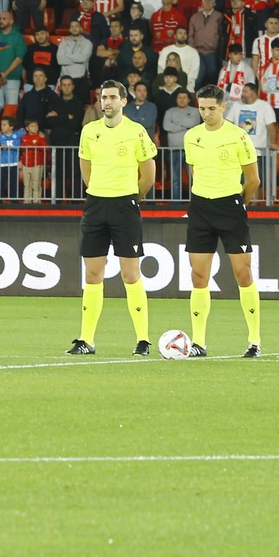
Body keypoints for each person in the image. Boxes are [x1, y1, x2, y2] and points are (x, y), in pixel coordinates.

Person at [70, 80, 158, 356]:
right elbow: (86, 170)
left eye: (111, 97)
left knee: (130, 274)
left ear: (123, 101)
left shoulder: (136, 131)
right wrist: (100, 191)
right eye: (103, 97)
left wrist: (130, 197)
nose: (106, 102)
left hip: (124, 206)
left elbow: (149, 174)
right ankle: (86, 340)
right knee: (92, 274)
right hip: (96, 205)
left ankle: (143, 340)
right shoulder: (89, 131)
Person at [183, 85, 262, 358]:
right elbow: (194, 171)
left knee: (243, 273)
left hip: (230, 206)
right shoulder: (191, 136)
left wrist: (239, 204)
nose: (206, 113)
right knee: (198, 276)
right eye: (202, 108)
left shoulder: (238, 136)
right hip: (200, 208)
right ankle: (198, 342)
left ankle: (254, 340)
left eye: (211, 108)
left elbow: (253, 180)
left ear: (223, 107)